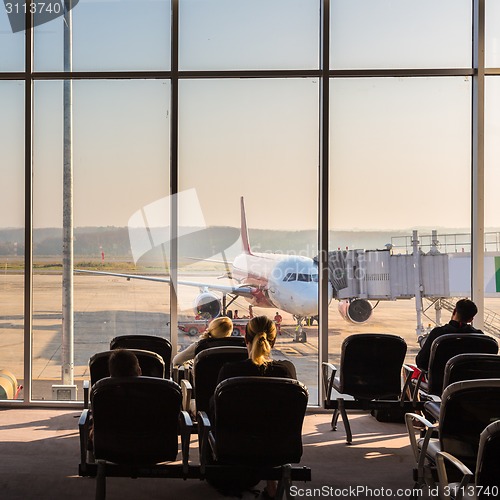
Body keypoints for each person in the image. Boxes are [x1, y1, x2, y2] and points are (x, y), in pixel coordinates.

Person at [215, 315, 296, 498]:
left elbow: (218, 410)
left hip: (235, 444)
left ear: (245, 339)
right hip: (278, 445)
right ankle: (272, 484)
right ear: (273, 341)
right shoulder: (285, 372)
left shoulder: (229, 372)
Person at [415, 298, 483, 370]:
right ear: (471, 320)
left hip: (441, 380)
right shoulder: (480, 337)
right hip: (470, 380)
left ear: (454, 312)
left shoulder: (437, 334)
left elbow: (421, 362)